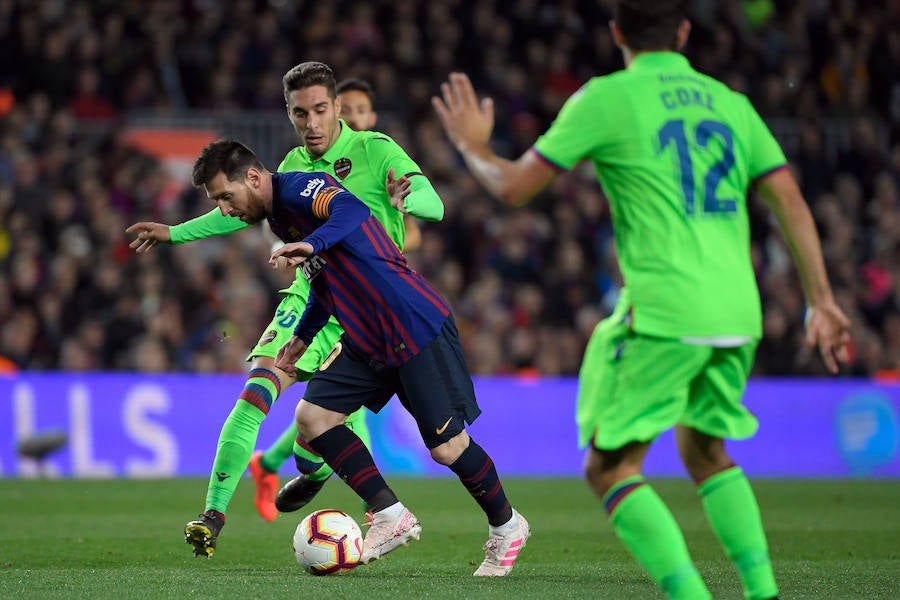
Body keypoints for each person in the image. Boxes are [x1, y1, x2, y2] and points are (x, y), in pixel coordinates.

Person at [432, 0, 851, 598]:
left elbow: (515, 187)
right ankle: (763, 592)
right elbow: (790, 200)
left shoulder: (607, 98)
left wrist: (474, 146)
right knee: (706, 452)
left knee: (610, 469)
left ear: (616, 33)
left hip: (664, 309)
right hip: (738, 310)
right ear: (683, 31)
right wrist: (821, 299)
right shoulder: (731, 103)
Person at [126, 61, 444, 556]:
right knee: (257, 390)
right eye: (301, 114)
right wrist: (175, 233)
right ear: (290, 115)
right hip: (312, 296)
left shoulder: (374, 149)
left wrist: (415, 200)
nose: (312, 124)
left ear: (338, 109)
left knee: (325, 425)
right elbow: (243, 209)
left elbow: (429, 198)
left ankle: (313, 468)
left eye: (320, 111)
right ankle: (213, 513)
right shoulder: (292, 166)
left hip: (372, 306)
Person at [191, 138, 530, 575]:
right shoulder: (279, 218)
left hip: (411, 322)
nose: (224, 208)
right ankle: (389, 516)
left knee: (447, 448)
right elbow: (324, 280)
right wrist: (302, 336)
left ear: (253, 178)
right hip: (366, 336)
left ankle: (507, 526)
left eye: (225, 196)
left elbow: (352, 212)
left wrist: (312, 245)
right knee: (313, 419)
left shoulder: (299, 188)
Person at [247, 76, 422, 518]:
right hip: (331, 295)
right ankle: (376, 506)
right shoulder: (300, 167)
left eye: (364, 111)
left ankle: (278, 465)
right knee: (331, 405)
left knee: (332, 408)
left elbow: (410, 232)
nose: (357, 118)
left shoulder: (378, 159)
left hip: (373, 297)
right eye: (304, 113)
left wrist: (402, 206)